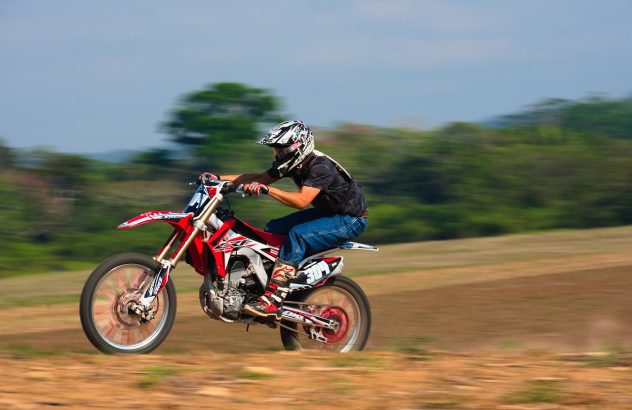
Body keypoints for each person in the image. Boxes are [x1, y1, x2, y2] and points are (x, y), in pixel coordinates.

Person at [199, 120, 368, 320]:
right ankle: (263, 283)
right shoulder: (292, 163)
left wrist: (269, 191)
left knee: (298, 235)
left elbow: (301, 201)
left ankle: (274, 299)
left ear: (298, 147)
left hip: (349, 219)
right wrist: (218, 178)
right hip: (327, 212)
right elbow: (259, 178)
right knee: (273, 228)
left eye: (281, 149)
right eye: (276, 150)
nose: (278, 154)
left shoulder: (320, 167)